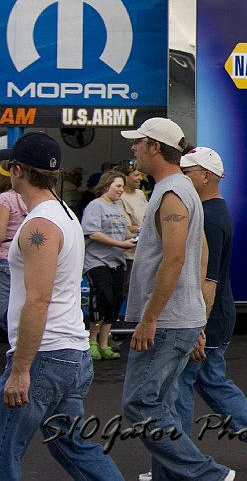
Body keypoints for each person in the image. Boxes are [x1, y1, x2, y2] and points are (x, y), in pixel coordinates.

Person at [0, 133, 125, 480]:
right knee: (72, 444)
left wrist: (21, 369)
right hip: (69, 353)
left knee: (3, 448)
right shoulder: (65, 213)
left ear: (18, 170)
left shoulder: (39, 224)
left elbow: (38, 299)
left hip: (46, 356)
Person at [120, 117, 234, 480]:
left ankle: (208, 474)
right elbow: (198, 256)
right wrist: (197, 318)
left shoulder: (173, 192)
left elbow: (175, 257)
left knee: (139, 402)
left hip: (167, 321)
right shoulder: (181, 190)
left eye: (138, 142)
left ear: (155, 147)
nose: (133, 148)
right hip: (179, 318)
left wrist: (150, 317)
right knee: (163, 404)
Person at [176, 147, 247, 475]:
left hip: (207, 318)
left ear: (205, 175)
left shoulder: (209, 217)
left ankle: (177, 463)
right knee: (210, 383)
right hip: (213, 316)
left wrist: (197, 328)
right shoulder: (211, 212)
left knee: (179, 387)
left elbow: (208, 279)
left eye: (186, 171)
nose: (181, 176)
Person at [81, 170, 134, 360]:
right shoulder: (95, 206)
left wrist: (136, 236)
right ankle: (92, 342)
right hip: (98, 261)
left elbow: (124, 232)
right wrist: (121, 244)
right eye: (118, 186)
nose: (121, 190)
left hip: (117, 262)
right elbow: (93, 233)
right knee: (102, 298)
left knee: (114, 301)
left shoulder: (118, 206)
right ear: (106, 186)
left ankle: (104, 344)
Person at [0, 170, 29, 337]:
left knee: (5, 310)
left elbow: (1, 234)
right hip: (24, 256)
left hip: (5, 257)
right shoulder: (27, 199)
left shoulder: (5, 199)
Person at [119, 162, 149, 304]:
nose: (140, 178)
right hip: (129, 256)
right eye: (136, 175)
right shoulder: (119, 197)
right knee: (126, 294)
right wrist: (145, 229)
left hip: (146, 253)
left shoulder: (139, 194)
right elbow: (125, 227)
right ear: (125, 177)